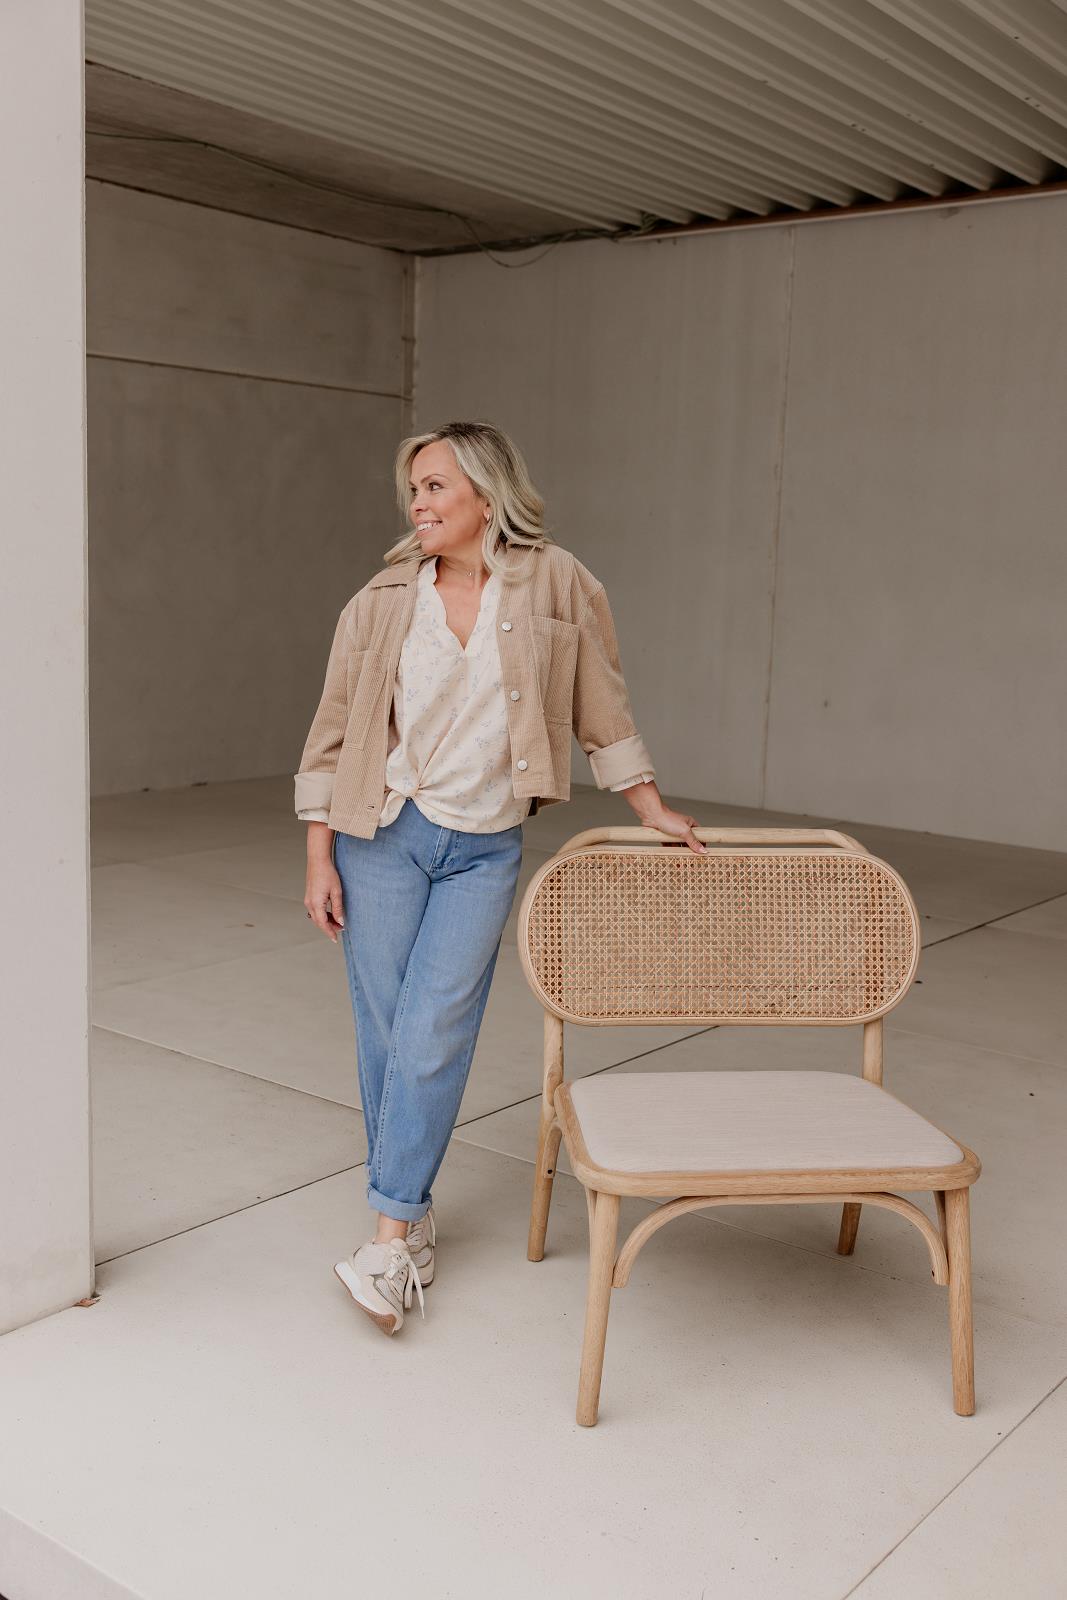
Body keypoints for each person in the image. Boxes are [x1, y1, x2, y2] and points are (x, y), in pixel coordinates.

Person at [295, 421, 705, 1336]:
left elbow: (600, 700)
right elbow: (331, 731)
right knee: (387, 1035)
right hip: (380, 837)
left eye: (436, 486)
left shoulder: (558, 581)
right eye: (413, 489)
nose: (418, 503)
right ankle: (404, 1224)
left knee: (433, 1033)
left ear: (486, 494)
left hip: (483, 847)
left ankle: (389, 1240)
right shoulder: (381, 599)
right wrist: (319, 855)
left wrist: (647, 806)